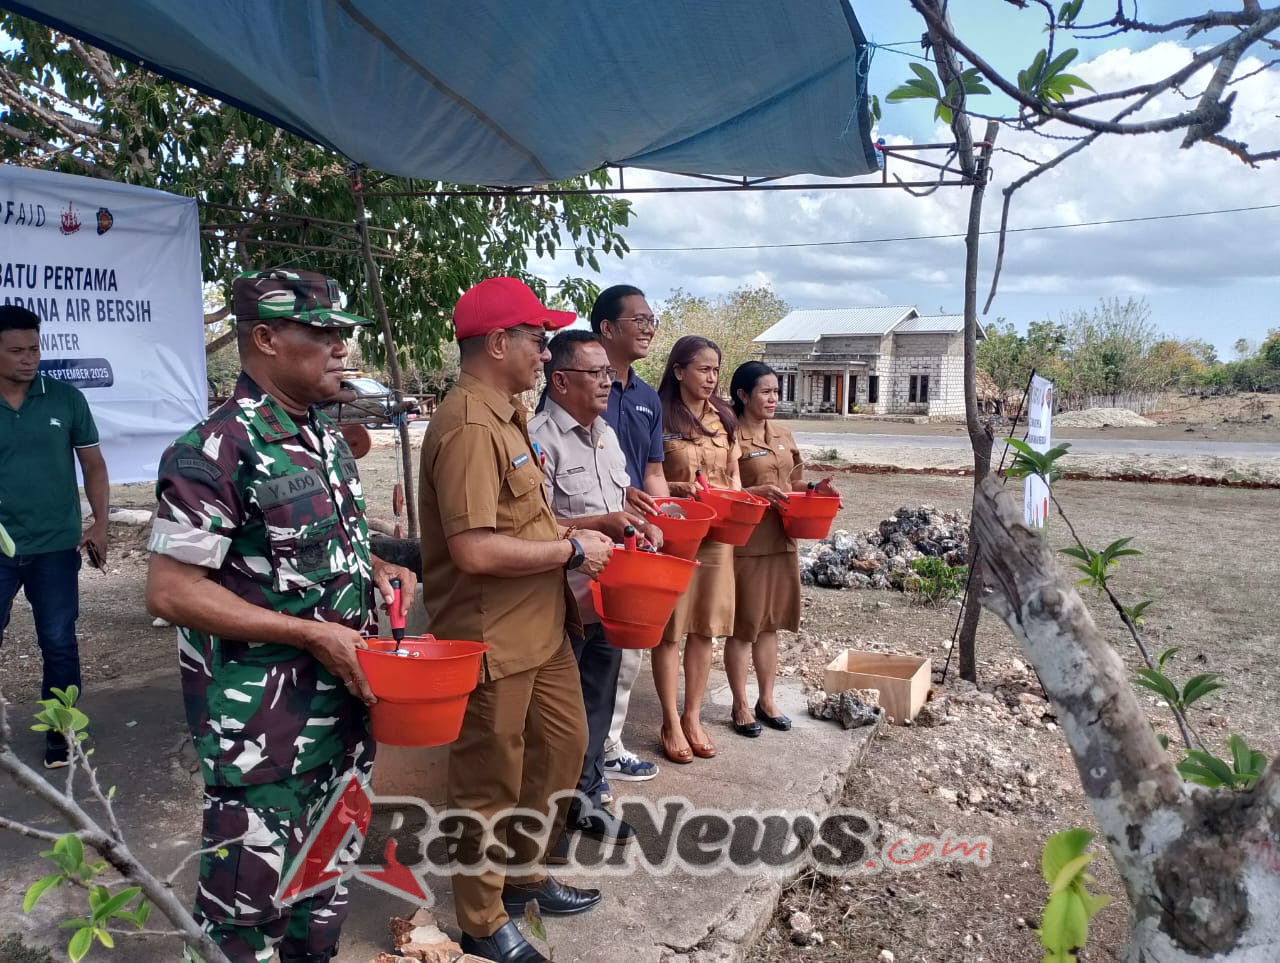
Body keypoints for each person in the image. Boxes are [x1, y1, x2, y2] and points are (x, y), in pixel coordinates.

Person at [145, 269, 418, 963]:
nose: (341, 348)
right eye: (322, 332)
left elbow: (309, 555)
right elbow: (172, 590)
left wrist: (378, 569)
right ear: (264, 338)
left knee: (321, 896)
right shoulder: (213, 449)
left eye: (342, 333)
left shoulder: (323, 437)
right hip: (264, 737)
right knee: (247, 915)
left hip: (346, 719)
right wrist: (306, 632)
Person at [418, 277, 613, 963]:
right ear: (497, 342)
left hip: (540, 626)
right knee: (488, 779)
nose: (544, 349)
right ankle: (480, 915)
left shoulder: (505, 411)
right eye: (536, 338)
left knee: (562, 748)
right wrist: (569, 548)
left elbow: (522, 518)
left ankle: (525, 873)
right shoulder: (470, 423)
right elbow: (472, 548)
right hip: (491, 636)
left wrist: (587, 528)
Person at [528, 330, 663, 854]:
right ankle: (548, 818)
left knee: (598, 704)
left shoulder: (604, 434)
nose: (609, 383)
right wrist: (603, 521)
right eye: (596, 374)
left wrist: (635, 519)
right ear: (560, 380)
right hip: (561, 603)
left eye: (609, 373)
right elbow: (537, 526)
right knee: (556, 720)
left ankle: (584, 799)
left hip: (609, 597)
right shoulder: (539, 438)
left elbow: (618, 499)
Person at [0, 304, 109, 770]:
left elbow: (93, 465)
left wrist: (99, 522)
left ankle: (60, 729)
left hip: (55, 549)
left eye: (35, 348)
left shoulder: (65, 399)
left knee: (59, 641)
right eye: (16, 351)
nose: (29, 358)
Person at [726, 361, 838, 737]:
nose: (774, 398)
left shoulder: (783, 433)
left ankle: (767, 700)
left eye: (776, 391)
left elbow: (795, 481)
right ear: (743, 395)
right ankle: (740, 703)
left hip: (783, 539)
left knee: (771, 625)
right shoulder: (730, 436)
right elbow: (724, 488)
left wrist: (815, 491)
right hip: (747, 543)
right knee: (745, 627)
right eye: (766, 391)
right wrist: (752, 494)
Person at [589, 284, 667, 786]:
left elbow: (653, 470)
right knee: (590, 647)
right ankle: (589, 752)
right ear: (607, 329)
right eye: (637, 319)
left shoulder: (646, 397)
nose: (648, 328)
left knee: (629, 648)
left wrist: (662, 521)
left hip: (634, 536)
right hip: (585, 534)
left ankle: (609, 745)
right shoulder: (576, 388)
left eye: (651, 319)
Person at [654, 335, 741, 764]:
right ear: (679, 371)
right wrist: (676, 488)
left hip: (718, 537)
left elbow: (733, 475)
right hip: (676, 536)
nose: (711, 378)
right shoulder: (658, 414)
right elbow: (642, 476)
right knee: (671, 629)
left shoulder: (724, 417)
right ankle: (669, 720)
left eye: (715, 370)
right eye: (703, 369)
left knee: (705, 628)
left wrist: (739, 503)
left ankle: (693, 716)